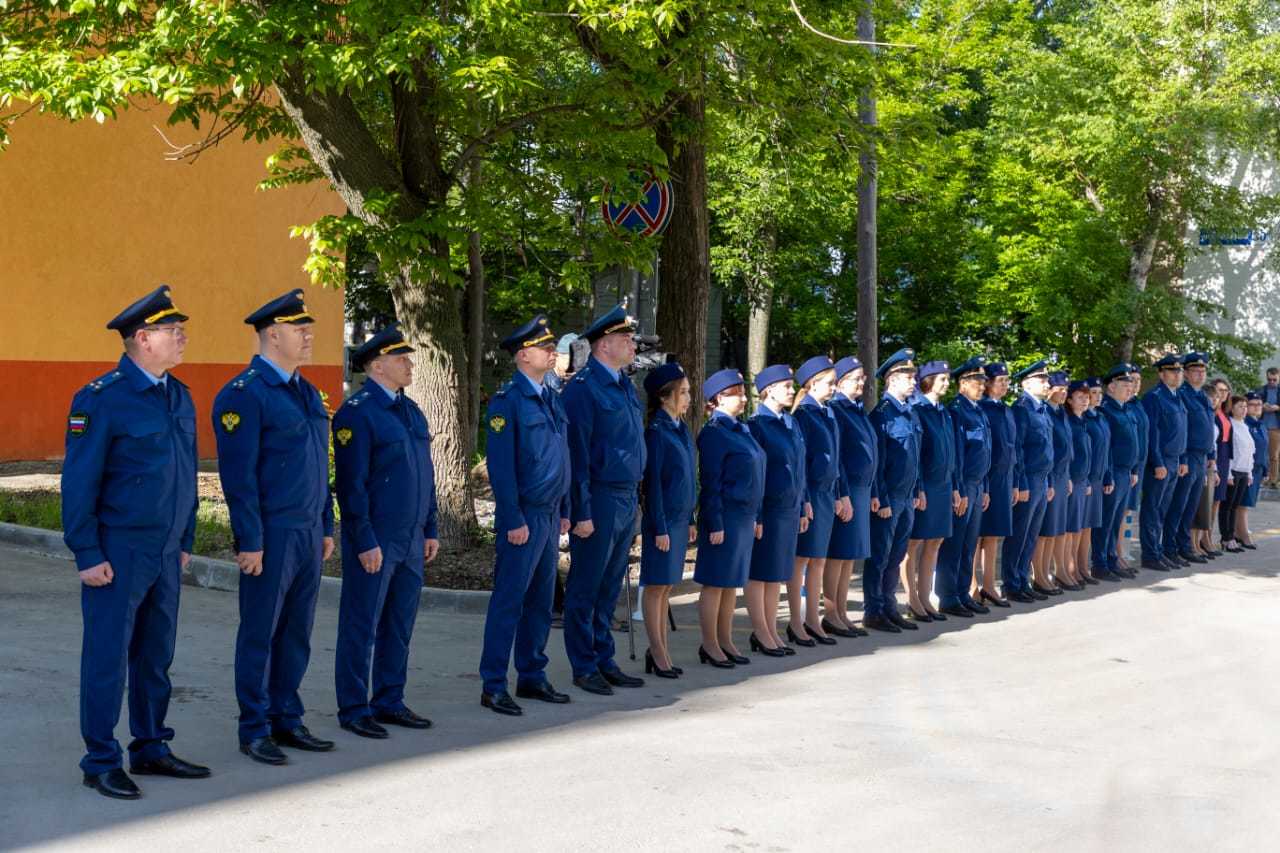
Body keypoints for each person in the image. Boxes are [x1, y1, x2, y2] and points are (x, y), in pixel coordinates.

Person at [63, 286, 207, 800]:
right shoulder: (102, 399)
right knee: (107, 656)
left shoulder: (178, 394)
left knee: (154, 656)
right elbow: (80, 482)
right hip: (118, 552)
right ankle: (100, 759)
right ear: (143, 339)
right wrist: (87, 552)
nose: (182, 338)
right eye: (173, 332)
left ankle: (150, 746)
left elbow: (185, 474)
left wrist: (185, 537)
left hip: (166, 551)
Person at [213, 288, 337, 765]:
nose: (308, 335)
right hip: (271, 533)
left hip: (307, 532)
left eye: (308, 328)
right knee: (261, 632)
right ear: (271, 335)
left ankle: (287, 716)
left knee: (297, 631)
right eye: (298, 328)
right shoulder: (244, 395)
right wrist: (250, 540)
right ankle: (255, 726)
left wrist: (326, 523)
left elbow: (315, 467)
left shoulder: (305, 391)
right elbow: (238, 478)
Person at [331, 324, 439, 738]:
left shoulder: (410, 411)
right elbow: (351, 484)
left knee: (399, 622)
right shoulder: (357, 413)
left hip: (411, 538)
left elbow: (425, 476)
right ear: (377, 365)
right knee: (361, 623)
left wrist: (430, 526)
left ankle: (389, 699)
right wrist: (364, 538)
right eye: (401, 358)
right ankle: (355, 707)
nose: (409, 364)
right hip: (377, 538)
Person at [478, 315, 572, 716]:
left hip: (549, 516)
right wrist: (512, 517)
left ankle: (532, 674)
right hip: (524, 517)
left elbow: (560, 457)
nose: (552, 352)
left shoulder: (550, 397)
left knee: (539, 602)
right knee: (510, 600)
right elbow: (501, 468)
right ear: (522, 356)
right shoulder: (508, 402)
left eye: (552, 346)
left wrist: (565, 509)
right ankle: (494, 683)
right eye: (544, 347)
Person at [561, 305, 647, 695]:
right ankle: (583, 664)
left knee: (611, 584)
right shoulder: (583, 389)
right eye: (626, 339)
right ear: (604, 344)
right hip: (598, 497)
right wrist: (580, 510)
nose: (632, 345)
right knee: (586, 585)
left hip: (625, 497)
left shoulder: (624, 385)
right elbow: (576, 455)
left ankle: (603, 656)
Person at [694, 369, 766, 667]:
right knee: (715, 583)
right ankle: (710, 644)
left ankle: (725, 640)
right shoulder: (714, 433)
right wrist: (715, 522)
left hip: (743, 516)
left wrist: (755, 516)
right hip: (725, 516)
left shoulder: (740, 430)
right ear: (720, 398)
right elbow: (710, 483)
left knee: (729, 584)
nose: (744, 397)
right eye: (738, 393)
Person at [788, 356, 852, 646]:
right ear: (813, 384)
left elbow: (836, 460)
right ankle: (797, 622)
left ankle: (814, 618)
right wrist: (806, 499)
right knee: (803, 560)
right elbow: (802, 463)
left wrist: (840, 494)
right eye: (830, 382)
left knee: (819, 561)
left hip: (827, 494)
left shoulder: (826, 413)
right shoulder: (804, 414)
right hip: (811, 493)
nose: (834, 387)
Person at [747, 364, 809, 655]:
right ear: (768, 390)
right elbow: (756, 475)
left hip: (788, 507)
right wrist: (757, 514)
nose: (792, 390)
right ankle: (760, 631)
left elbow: (799, 467)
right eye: (786, 386)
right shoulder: (757, 425)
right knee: (760, 573)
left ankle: (771, 629)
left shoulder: (789, 422)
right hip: (769, 508)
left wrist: (802, 505)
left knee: (777, 573)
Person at [639, 362, 696, 678]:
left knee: (667, 586)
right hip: (662, 523)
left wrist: (690, 517)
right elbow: (654, 486)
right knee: (656, 586)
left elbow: (689, 478)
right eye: (683, 392)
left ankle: (660, 649)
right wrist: (659, 527)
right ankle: (658, 651)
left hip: (678, 520)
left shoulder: (682, 429)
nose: (688, 398)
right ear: (665, 397)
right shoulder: (657, 433)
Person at [864, 349, 925, 633]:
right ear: (891, 380)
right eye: (907, 377)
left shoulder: (910, 413)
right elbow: (878, 463)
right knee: (880, 555)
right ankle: (873, 610)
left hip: (907, 496)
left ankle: (889, 606)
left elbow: (915, 457)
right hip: (889, 498)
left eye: (913, 376)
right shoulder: (882, 415)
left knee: (897, 554)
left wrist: (918, 489)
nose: (913, 381)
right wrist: (882, 497)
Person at [903, 360, 960, 621]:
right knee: (914, 544)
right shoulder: (919, 410)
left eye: (947, 379)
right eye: (942, 379)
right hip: (926, 486)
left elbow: (953, 453)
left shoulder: (943, 412)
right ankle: (912, 599)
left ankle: (926, 597)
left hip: (944, 486)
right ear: (928, 381)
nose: (947, 383)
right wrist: (920, 489)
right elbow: (918, 455)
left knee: (935, 542)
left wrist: (955, 487)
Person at [935, 356, 992, 617]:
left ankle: (962, 592)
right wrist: (958, 488)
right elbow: (957, 455)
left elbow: (986, 452)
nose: (982, 386)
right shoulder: (957, 410)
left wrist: (986, 487)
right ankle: (948, 597)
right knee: (955, 543)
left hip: (978, 484)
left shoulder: (978, 410)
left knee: (969, 544)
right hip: (965, 484)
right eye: (977, 382)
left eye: (983, 382)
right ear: (963, 383)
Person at [826, 357, 876, 635]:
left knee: (850, 557)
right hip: (846, 489)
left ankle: (842, 612)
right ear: (841, 381)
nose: (862, 383)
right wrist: (842, 492)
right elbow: (839, 458)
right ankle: (832, 613)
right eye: (856, 378)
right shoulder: (837, 409)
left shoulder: (856, 409)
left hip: (861, 489)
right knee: (839, 553)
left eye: (863, 378)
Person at [1002, 360, 1054, 603]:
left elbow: (1048, 449)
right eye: (1042, 379)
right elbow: (1019, 450)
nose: (1047, 383)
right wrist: (1020, 483)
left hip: (1042, 479)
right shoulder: (1022, 408)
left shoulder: (1041, 408)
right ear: (1026, 383)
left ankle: (1023, 579)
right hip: (1029, 479)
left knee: (1032, 534)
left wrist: (1050, 480)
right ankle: (1012, 583)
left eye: (1046, 379)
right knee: (1020, 533)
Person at [1138, 354, 1188, 572]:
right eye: (1172, 371)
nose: (1177, 375)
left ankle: (1159, 550)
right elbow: (1153, 434)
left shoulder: (1177, 396)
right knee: (1153, 509)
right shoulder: (1154, 397)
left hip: (1175, 459)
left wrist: (1183, 459)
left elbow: (1183, 432)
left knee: (1164, 510)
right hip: (1160, 462)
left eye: (1179, 371)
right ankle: (1150, 554)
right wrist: (1158, 463)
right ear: (1161, 373)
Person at [1091, 364, 1140, 582]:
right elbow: (1107, 448)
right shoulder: (1107, 411)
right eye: (1125, 385)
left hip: (1126, 472)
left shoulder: (1126, 409)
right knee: (1107, 519)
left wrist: (1134, 469)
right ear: (1111, 387)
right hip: (1114, 471)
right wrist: (1110, 474)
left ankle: (1111, 558)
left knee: (1116, 519)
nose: (1130, 389)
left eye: (1131, 385)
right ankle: (1100, 563)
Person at [976, 361, 1018, 607]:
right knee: (977, 536)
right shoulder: (982, 409)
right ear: (988, 384)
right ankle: (972, 586)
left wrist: (1015, 481)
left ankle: (990, 585)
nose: (1005, 385)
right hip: (986, 478)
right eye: (1000, 381)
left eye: (1006, 381)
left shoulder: (1006, 409)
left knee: (994, 535)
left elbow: (1014, 448)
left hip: (1004, 478)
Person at [547, 332, 579, 628]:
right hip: (552, 476)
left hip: (574, 472)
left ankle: (568, 603)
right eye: (570, 357)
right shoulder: (548, 387)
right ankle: (554, 603)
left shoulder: (579, 385)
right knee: (549, 548)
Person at [1030, 371, 1072, 595]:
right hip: (1050, 475)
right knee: (1044, 530)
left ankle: (1046, 572)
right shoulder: (1045, 411)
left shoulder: (1060, 413)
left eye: (1066, 389)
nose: (1063, 393)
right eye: (1059, 388)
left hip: (1060, 475)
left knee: (1054, 530)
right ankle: (1039, 575)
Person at [1172, 353, 1215, 564]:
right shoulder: (1183, 395)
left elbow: (1208, 428)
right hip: (1188, 455)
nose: (1200, 374)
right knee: (1180, 504)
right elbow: (1183, 431)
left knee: (1192, 505)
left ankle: (1185, 544)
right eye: (1195, 370)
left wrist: (1211, 456)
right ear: (1186, 373)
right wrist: (1183, 459)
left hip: (1202, 456)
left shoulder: (1203, 396)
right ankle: (1173, 546)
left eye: (1203, 370)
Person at [1060, 380, 1093, 590]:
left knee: (1079, 527)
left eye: (1086, 397)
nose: (1085, 401)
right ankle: (1066, 569)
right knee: (1069, 528)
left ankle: (1076, 567)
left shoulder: (1083, 421)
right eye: (1080, 397)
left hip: (1083, 480)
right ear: (1069, 400)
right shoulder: (1069, 422)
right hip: (1071, 480)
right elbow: (1069, 455)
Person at [1079, 378, 1110, 584]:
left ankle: (1083, 567)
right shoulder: (1084, 420)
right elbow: (1082, 455)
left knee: (1089, 525)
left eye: (1100, 393)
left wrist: (1108, 475)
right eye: (1093, 393)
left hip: (1099, 478)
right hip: (1087, 479)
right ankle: (1075, 567)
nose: (1097, 396)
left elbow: (1107, 452)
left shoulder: (1100, 417)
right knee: (1079, 526)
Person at [1120, 364, 1150, 572]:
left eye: (1138, 380)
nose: (1135, 384)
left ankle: (1125, 550)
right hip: (1125, 467)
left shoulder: (1137, 404)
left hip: (1137, 466)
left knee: (1130, 512)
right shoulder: (1123, 406)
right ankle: (1118, 552)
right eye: (1131, 380)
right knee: (1121, 512)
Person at [1219, 395, 1254, 552]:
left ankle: (1232, 537)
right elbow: (1230, 451)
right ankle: (1226, 538)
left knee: (1235, 507)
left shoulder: (1245, 426)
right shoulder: (1231, 425)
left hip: (1244, 471)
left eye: (1245, 406)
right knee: (1227, 506)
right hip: (1233, 471)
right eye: (1240, 406)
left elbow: (1249, 452)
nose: (1244, 409)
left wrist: (1250, 473)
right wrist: (1229, 475)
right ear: (1232, 408)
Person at [1237, 392, 1268, 548]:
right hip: (1247, 468)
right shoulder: (1245, 424)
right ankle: (1243, 536)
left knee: (1247, 503)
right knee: (1243, 504)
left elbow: (1264, 449)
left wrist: (1266, 470)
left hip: (1258, 469)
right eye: (1253, 404)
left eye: (1259, 404)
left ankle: (1238, 532)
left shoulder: (1260, 424)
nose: (1257, 407)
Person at [1212, 378, 1234, 555]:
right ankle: (1202, 539)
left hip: (1225, 456)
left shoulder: (1225, 413)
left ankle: (1209, 537)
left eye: (1225, 391)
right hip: (1216, 453)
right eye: (1219, 390)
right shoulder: (1211, 411)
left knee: (1217, 500)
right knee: (1208, 500)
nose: (1222, 394)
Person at [1255, 366, 1280, 487]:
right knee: (1260, 453)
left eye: (1274, 380)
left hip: (1276, 427)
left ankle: (1273, 480)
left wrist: (1278, 408)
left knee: (1274, 455)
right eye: (1269, 379)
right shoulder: (1261, 390)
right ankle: (1261, 477)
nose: (1272, 382)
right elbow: (1252, 403)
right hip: (1261, 426)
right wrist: (1261, 405)